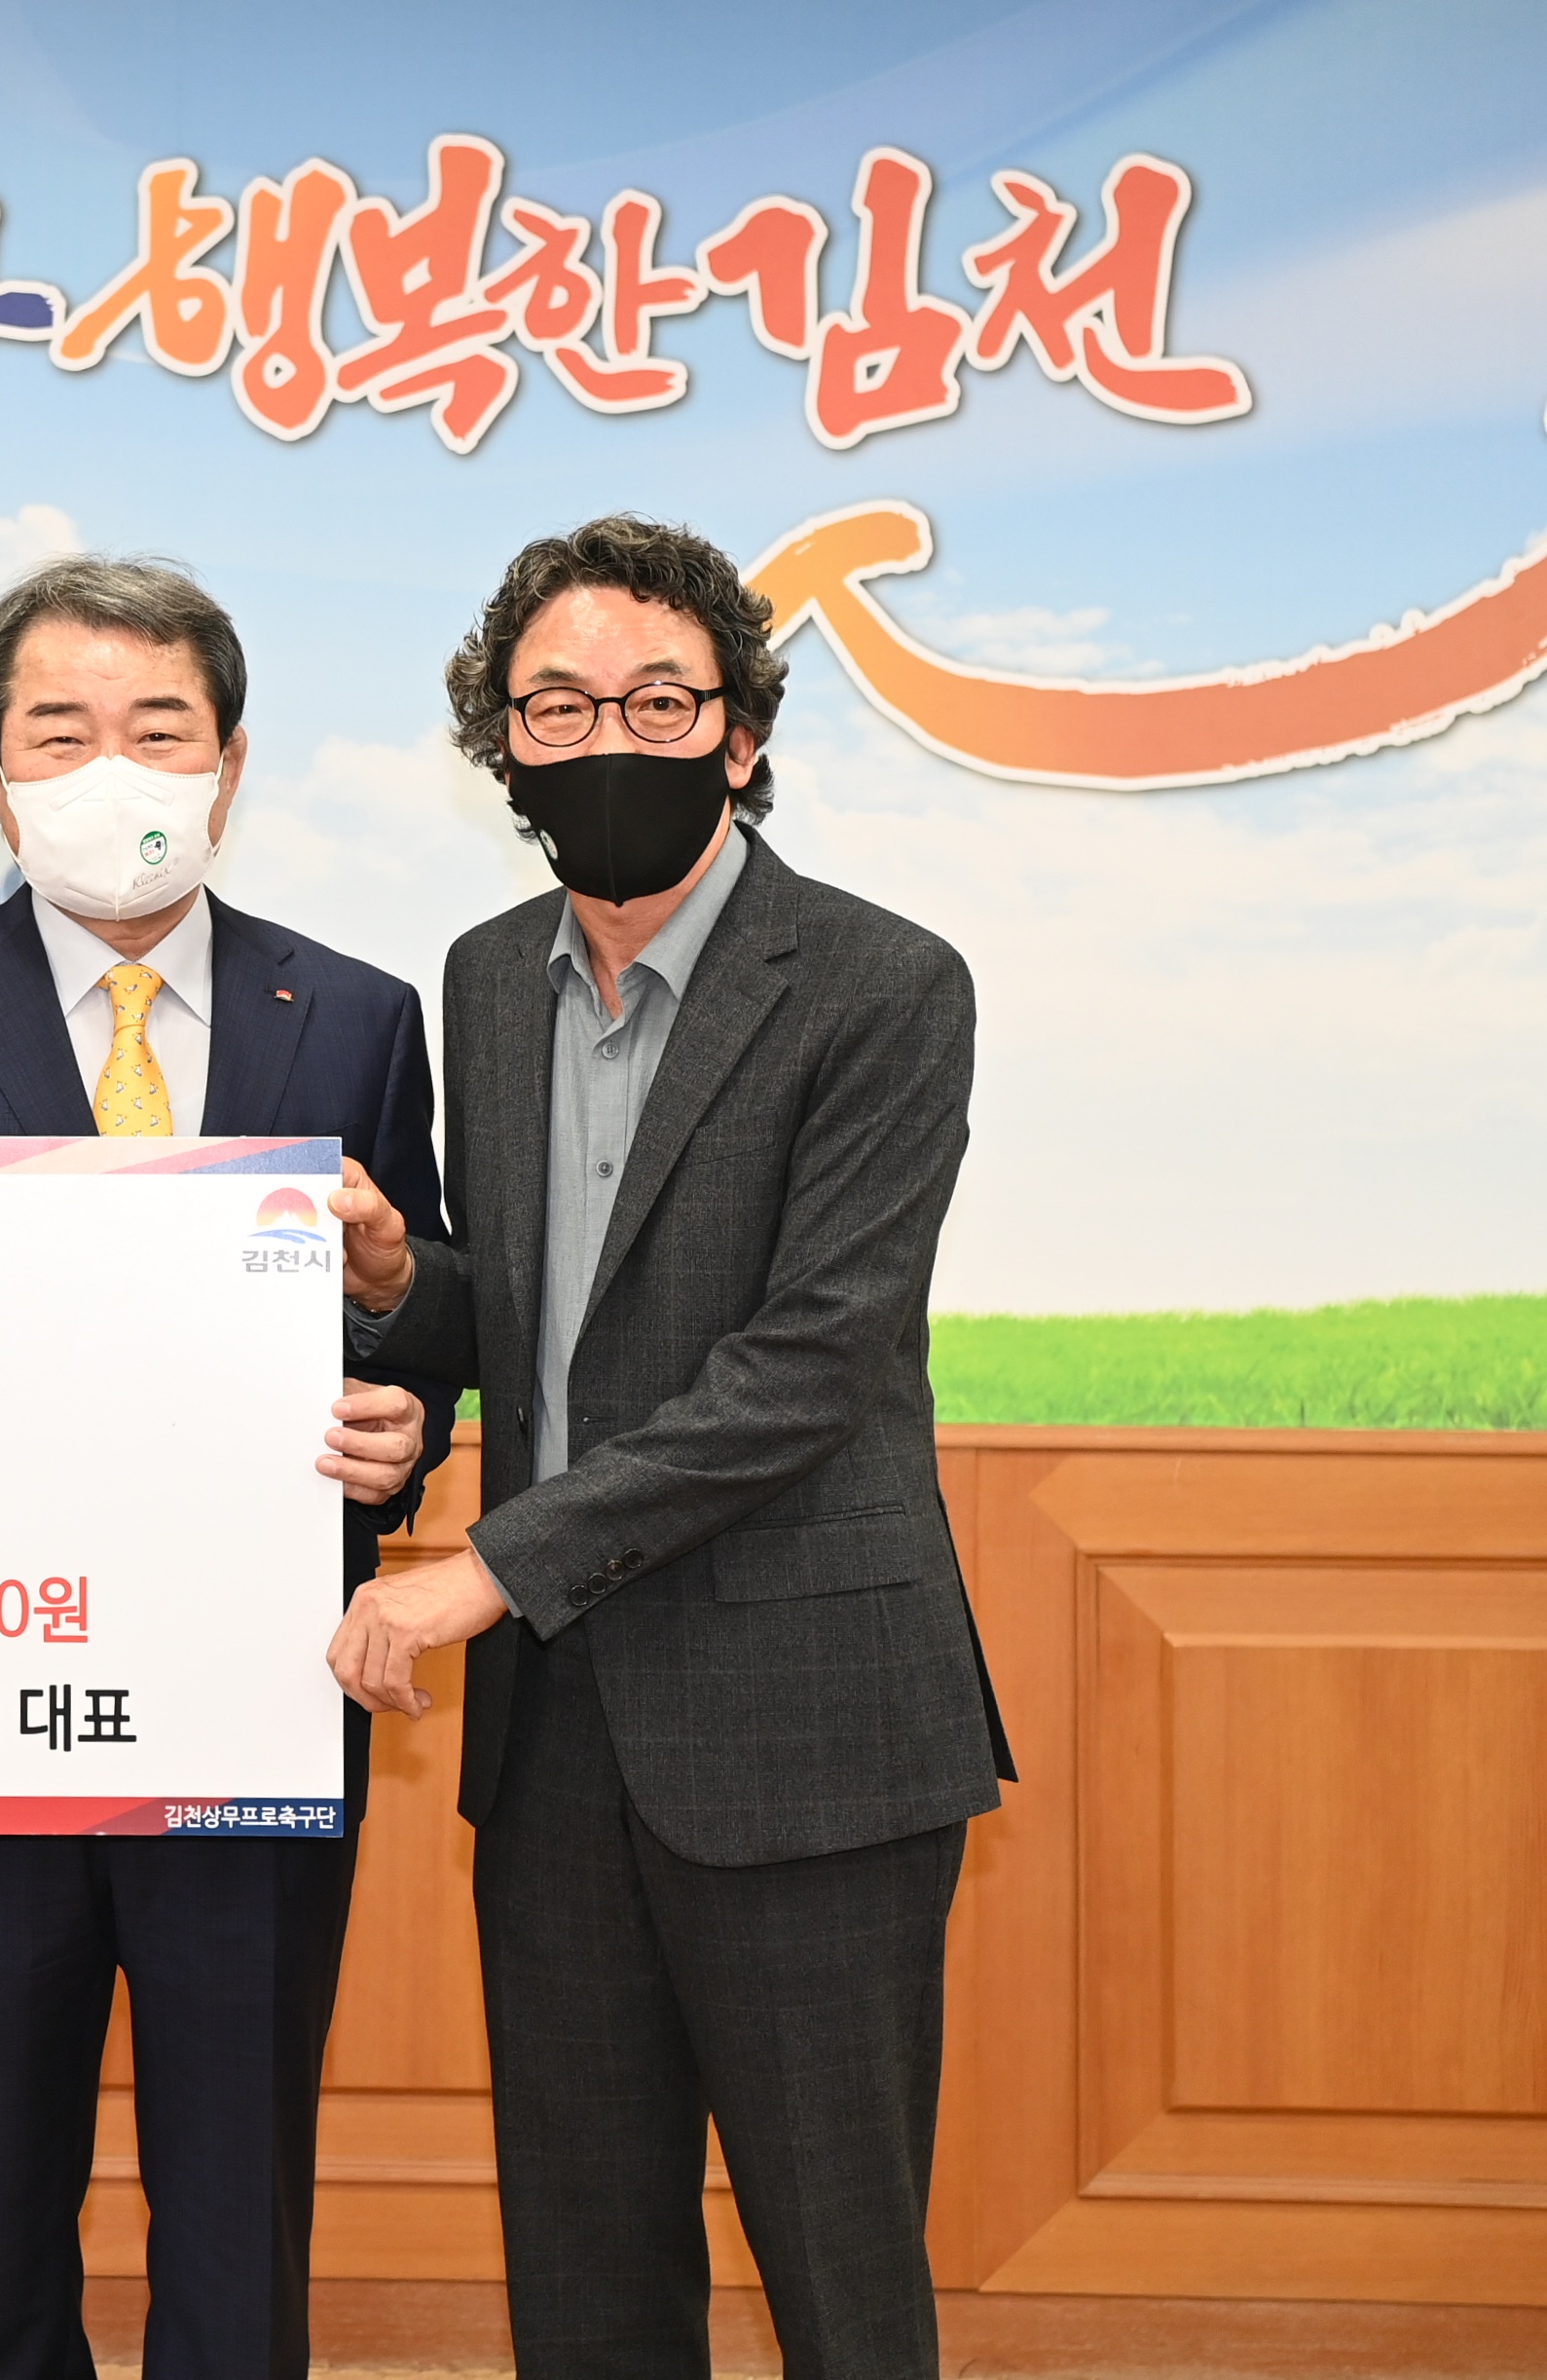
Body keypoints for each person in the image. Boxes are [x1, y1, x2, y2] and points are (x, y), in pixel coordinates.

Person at [325, 517, 1013, 2380]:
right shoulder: (486, 976)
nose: (605, 735)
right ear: (502, 744)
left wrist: (491, 1564)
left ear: (738, 729)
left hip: (804, 1729)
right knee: (585, 2275)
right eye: (556, 704)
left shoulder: (881, 982)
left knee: (839, 2280)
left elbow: (810, 1362)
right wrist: (401, 1282)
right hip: (554, 1740)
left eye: (656, 698)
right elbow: (548, 1316)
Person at [0, 555, 455, 2380]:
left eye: (157, 729)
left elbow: (409, 1319)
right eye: (59, 732)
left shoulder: (356, 1013)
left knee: (237, 2193)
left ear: (228, 764)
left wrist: (401, 1433)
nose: (111, 770)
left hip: (253, 1698)